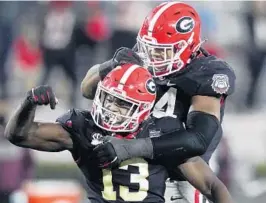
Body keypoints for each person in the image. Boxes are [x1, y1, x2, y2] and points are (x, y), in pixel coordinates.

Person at [5, 64, 233, 203]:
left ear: (143, 108)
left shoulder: (161, 131)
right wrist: (29, 103)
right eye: (108, 99)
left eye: (121, 104)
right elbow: (18, 135)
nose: (111, 108)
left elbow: (212, 186)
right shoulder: (84, 127)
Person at [80, 2, 236, 203]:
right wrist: (110, 66)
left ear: (186, 46)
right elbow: (87, 89)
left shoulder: (208, 72)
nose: (152, 58)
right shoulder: (144, 54)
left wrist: (132, 147)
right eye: (150, 48)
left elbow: (197, 139)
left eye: (161, 51)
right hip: (141, 169)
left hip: (186, 174)